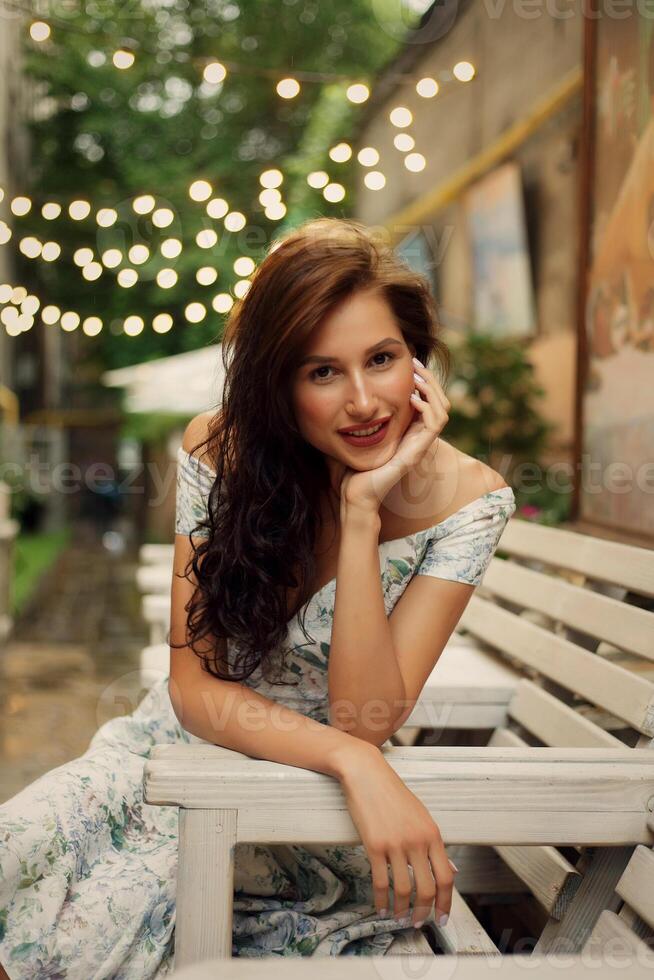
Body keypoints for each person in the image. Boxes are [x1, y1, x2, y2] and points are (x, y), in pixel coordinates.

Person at [0, 217, 516, 977]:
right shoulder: (222, 449)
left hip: (297, 805)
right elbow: (193, 689)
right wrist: (356, 761)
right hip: (170, 757)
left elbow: (363, 714)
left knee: (100, 926)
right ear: (279, 382)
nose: (365, 401)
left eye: (382, 358)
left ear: (419, 362)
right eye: (322, 372)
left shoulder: (470, 501)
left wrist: (363, 512)